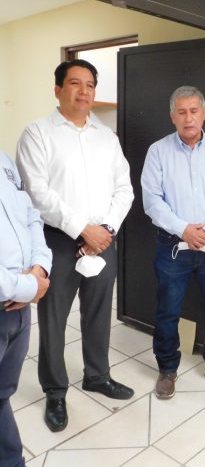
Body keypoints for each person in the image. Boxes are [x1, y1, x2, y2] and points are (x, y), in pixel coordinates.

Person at [16, 59, 134, 433]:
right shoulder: (37, 134)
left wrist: (105, 230)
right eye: (75, 83)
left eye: (90, 85)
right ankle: (55, 391)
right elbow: (38, 193)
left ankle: (97, 376)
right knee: (53, 319)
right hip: (58, 241)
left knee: (99, 312)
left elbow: (124, 188)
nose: (84, 92)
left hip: (103, 240)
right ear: (58, 90)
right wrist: (83, 229)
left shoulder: (107, 138)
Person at [141, 85, 205, 399]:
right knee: (168, 310)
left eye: (194, 111)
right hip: (173, 245)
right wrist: (184, 229)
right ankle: (167, 368)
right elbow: (152, 200)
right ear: (172, 116)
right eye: (181, 112)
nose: (188, 118)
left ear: (204, 113)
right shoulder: (158, 151)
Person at [0, 150, 51, 466]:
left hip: (19, 309)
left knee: (2, 394)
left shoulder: (5, 161)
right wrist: (28, 287)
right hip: (14, 294)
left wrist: (41, 267)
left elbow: (31, 217)